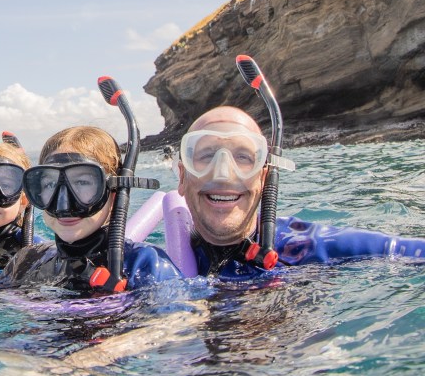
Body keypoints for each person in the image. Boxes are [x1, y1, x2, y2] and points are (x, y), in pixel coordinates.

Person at [175, 106, 425, 279]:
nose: (223, 173)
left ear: (264, 178)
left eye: (243, 157)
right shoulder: (156, 267)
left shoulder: (307, 247)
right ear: (182, 177)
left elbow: (411, 251)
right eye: (206, 156)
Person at [0, 126, 181, 294]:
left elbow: (180, 324)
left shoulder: (145, 265)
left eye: (82, 183)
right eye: (50, 184)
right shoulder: (28, 261)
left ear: (114, 194)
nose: (63, 202)